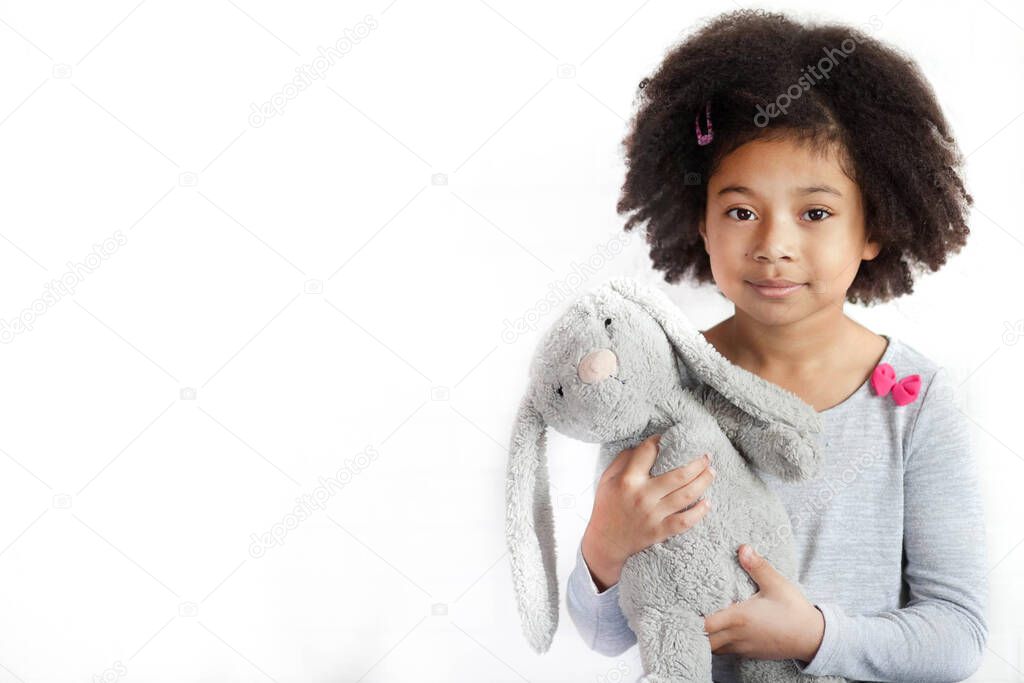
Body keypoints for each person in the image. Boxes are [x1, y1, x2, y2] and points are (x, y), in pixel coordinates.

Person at [567, 9, 988, 682]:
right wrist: (604, 546)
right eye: (740, 211)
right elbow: (606, 632)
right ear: (698, 221)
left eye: (815, 213)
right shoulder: (653, 387)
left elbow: (958, 635)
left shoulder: (917, 403)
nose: (773, 244)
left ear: (873, 227)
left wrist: (814, 635)